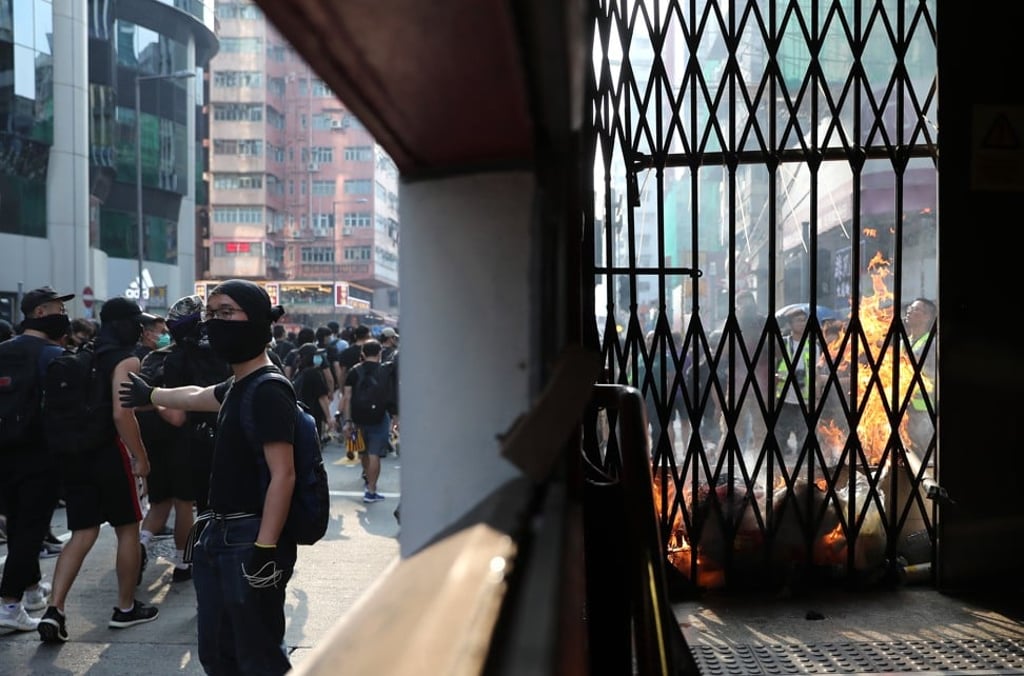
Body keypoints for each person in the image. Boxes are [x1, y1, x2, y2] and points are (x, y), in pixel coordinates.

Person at [118, 279, 298, 675]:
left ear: (256, 320)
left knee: (257, 655)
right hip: (217, 534)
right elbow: (199, 395)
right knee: (219, 653)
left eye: (227, 313)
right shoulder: (240, 383)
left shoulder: (268, 389)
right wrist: (153, 396)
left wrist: (264, 548)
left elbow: (283, 475)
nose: (215, 323)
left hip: (248, 538)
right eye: (212, 314)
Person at [38, 297, 158, 643]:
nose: (142, 328)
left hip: (75, 454)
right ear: (127, 325)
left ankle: (55, 608)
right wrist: (141, 458)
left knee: (83, 531)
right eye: (139, 323)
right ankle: (124, 607)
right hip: (110, 453)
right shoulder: (126, 358)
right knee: (127, 530)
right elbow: (123, 414)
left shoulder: (84, 353)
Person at [0, 287, 73, 632]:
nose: (64, 313)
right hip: (40, 452)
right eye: (59, 308)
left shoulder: (4, 351)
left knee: (18, 523)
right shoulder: (51, 354)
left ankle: (30, 591)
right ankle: (9, 603)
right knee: (31, 527)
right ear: (41, 313)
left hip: (5, 451)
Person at [340, 339, 398, 503]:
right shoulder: (385, 371)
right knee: (375, 454)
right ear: (380, 353)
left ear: (363, 354)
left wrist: (347, 420)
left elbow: (347, 397)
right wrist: (395, 416)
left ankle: (366, 476)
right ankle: (371, 490)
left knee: (361, 451)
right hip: (380, 418)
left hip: (356, 418)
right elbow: (391, 396)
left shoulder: (353, 371)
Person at [903, 298, 937, 454]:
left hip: (922, 409)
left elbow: (927, 371)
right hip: (904, 408)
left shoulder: (931, 342)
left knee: (922, 456)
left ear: (927, 317)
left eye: (916, 309)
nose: (909, 310)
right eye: (910, 307)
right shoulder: (904, 341)